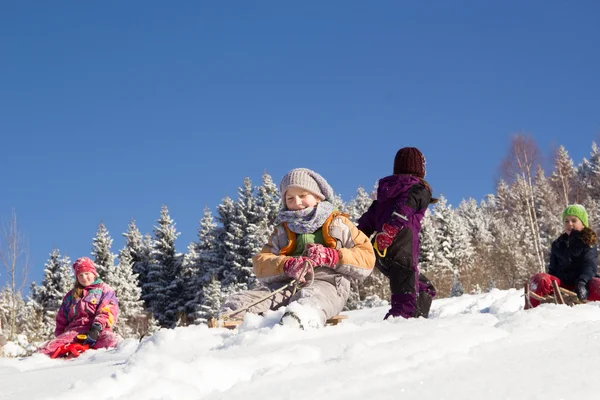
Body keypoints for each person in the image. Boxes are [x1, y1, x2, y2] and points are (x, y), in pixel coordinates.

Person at [220, 168, 375, 328]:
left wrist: (333, 256)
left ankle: (300, 321)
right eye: (290, 198)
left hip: (328, 283)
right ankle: (227, 327)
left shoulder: (338, 224)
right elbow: (261, 263)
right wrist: (287, 265)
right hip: (288, 284)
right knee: (241, 304)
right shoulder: (282, 230)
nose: (297, 203)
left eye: (302, 196)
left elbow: (367, 257)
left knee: (307, 300)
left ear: (317, 196)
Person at [357, 147, 438, 320]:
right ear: (420, 169)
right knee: (405, 295)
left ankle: (417, 320)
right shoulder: (418, 189)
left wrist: (356, 237)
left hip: (380, 251)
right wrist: (391, 230)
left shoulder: (384, 195)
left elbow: (368, 221)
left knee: (423, 287)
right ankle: (400, 321)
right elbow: (406, 206)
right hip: (401, 244)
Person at [38, 257, 122, 357]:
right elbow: (61, 318)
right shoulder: (70, 296)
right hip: (74, 332)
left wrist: (96, 328)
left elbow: (108, 310)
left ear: (93, 273)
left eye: (87, 274)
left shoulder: (104, 289)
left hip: (98, 331)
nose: (84, 277)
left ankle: (98, 356)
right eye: (80, 275)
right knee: (47, 349)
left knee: (114, 342)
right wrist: (60, 337)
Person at [528, 204, 600, 307]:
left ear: (583, 224)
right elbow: (552, 270)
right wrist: (549, 285)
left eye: (574, 220)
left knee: (598, 284)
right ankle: (532, 311)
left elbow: (589, 267)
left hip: (584, 283)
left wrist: (582, 282)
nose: (569, 224)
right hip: (562, 284)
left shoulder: (589, 242)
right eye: (566, 221)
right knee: (540, 278)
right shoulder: (557, 244)